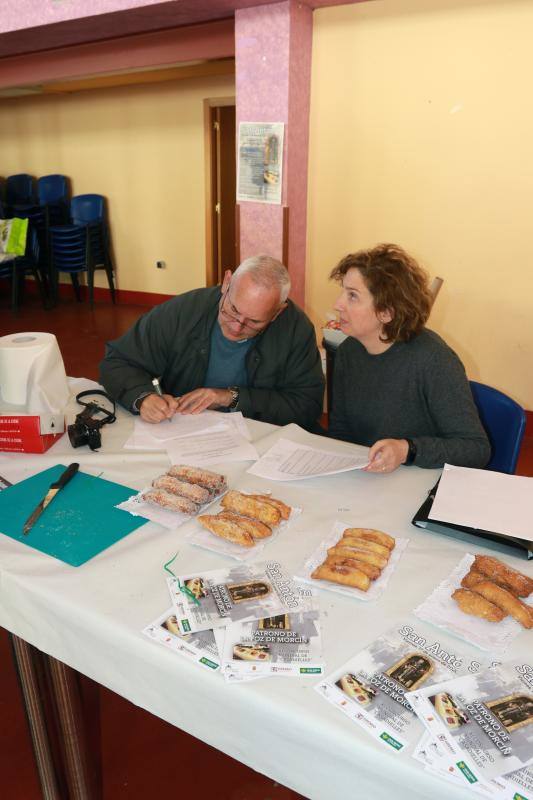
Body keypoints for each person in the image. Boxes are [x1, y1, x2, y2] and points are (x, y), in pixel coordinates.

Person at [99, 255, 324, 429]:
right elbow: (117, 361)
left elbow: (306, 405)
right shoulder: (184, 311)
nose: (236, 327)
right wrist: (143, 397)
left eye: (254, 322)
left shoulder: (295, 330)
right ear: (226, 283)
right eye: (232, 310)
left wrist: (231, 397)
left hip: (261, 437)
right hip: (185, 432)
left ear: (277, 312)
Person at [327, 243, 490, 472]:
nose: (338, 304)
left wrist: (407, 450)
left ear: (387, 312)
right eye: (343, 291)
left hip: (422, 481)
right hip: (369, 480)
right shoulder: (348, 351)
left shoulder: (434, 360)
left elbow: (475, 449)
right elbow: (340, 430)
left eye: (353, 296)